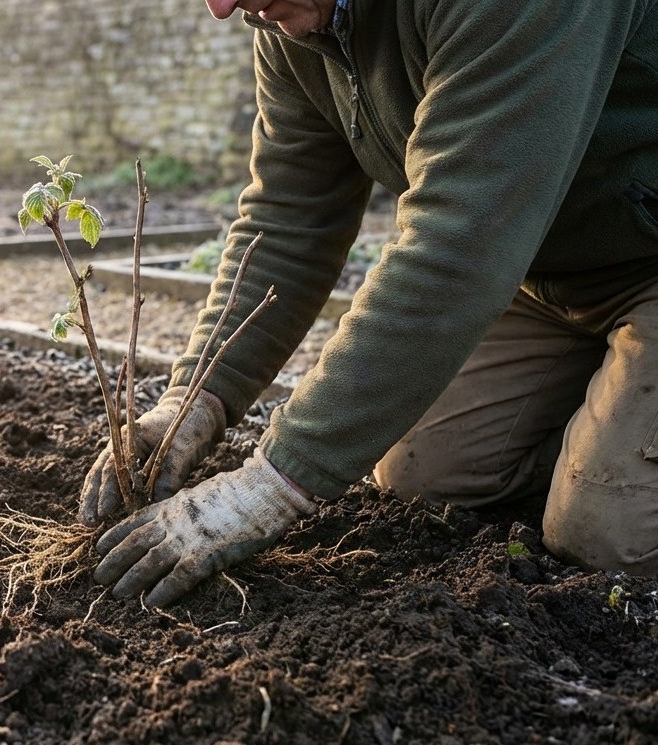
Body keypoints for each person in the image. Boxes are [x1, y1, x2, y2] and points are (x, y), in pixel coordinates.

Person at [83, 0, 658, 607]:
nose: (224, 8)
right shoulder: (295, 22)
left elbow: (457, 238)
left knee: (607, 539)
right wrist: (193, 400)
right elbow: (288, 219)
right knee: (422, 476)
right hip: (544, 271)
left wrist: (270, 487)